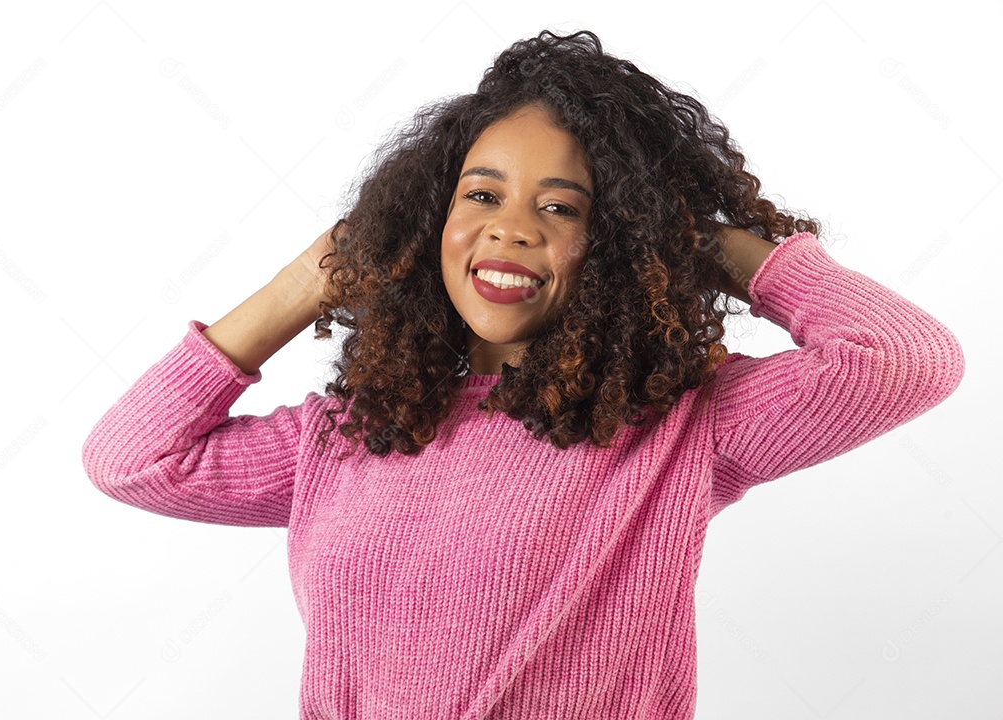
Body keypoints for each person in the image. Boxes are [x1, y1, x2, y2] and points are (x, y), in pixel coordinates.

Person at [83, 30, 965, 719]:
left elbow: (901, 359)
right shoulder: (351, 432)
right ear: (429, 218)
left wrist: (704, 243)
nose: (511, 229)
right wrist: (301, 284)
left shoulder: (678, 427)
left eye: (561, 207)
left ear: (615, 241)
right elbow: (130, 459)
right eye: (481, 194)